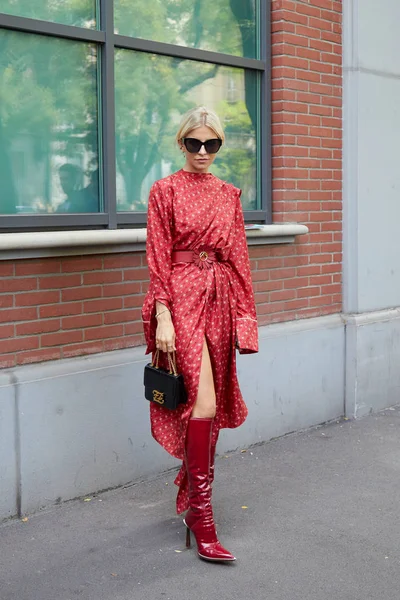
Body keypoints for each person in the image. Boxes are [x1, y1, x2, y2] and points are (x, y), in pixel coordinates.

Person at [142, 106, 258, 563]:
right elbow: (157, 256)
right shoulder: (164, 190)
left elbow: (240, 259)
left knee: (211, 405)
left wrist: (246, 321)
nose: (204, 152)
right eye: (195, 143)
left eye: (213, 144)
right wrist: (162, 316)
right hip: (180, 302)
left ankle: (197, 506)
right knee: (201, 402)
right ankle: (203, 516)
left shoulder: (229, 195)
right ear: (181, 143)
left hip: (221, 300)